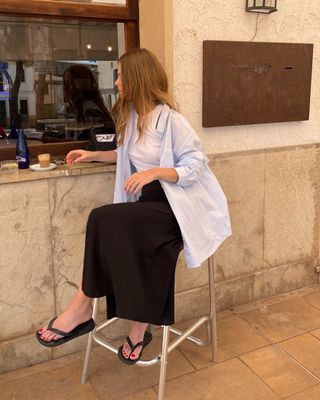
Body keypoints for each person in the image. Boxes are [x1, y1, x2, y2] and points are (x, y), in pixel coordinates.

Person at [36, 48, 231, 365]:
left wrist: (156, 172)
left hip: (174, 207)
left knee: (104, 219)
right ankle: (129, 324)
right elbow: (125, 154)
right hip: (148, 206)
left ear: (137, 79)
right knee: (112, 228)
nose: (116, 81)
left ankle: (84, 308)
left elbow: (197, 164)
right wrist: (93, 155)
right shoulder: (131, 117)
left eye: (121, 75)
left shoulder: (172, 120)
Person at [44, 64, 117, 150]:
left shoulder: (89, 109)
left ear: (82, 84)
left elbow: (91, 141)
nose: (67, 88)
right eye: (65, 84)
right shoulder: (84, 106)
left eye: (70, 83)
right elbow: (81, 134)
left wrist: (58, 142)